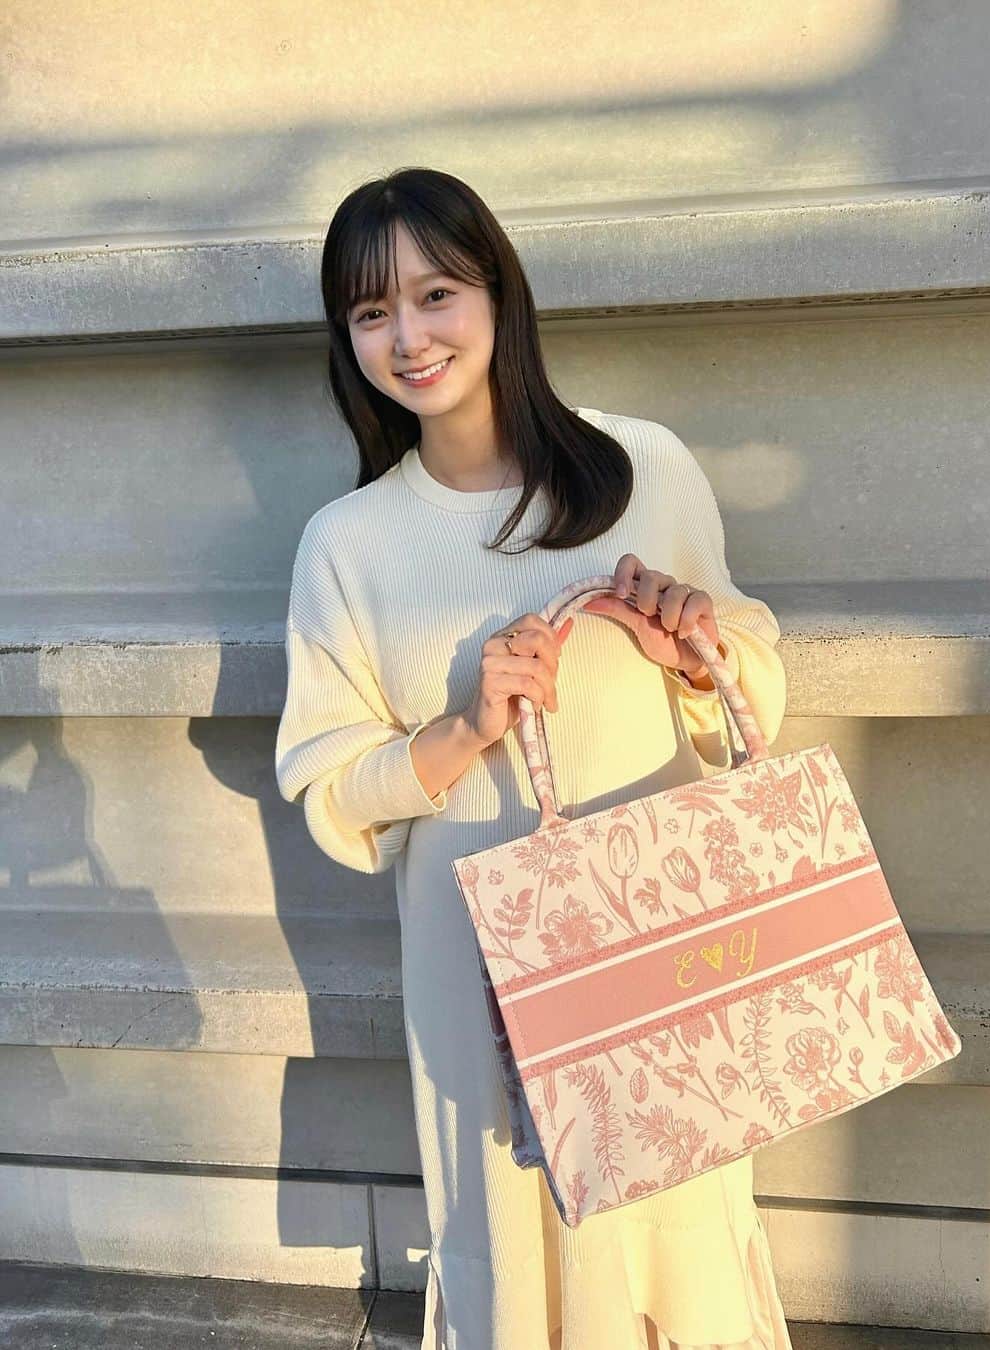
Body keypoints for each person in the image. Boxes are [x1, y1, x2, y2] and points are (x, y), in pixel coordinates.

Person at [275, 167, 792, 1350]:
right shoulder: (348, 543)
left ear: (499, 294)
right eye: (371, 310)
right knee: (512, 1231)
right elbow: (333, 797)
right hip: (475, 955)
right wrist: (464, 727)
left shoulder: (643, 466)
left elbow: (756, 682)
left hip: (661, 932)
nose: (409, 337)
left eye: (436, 294)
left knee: (674, 1218)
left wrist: (691, 650)